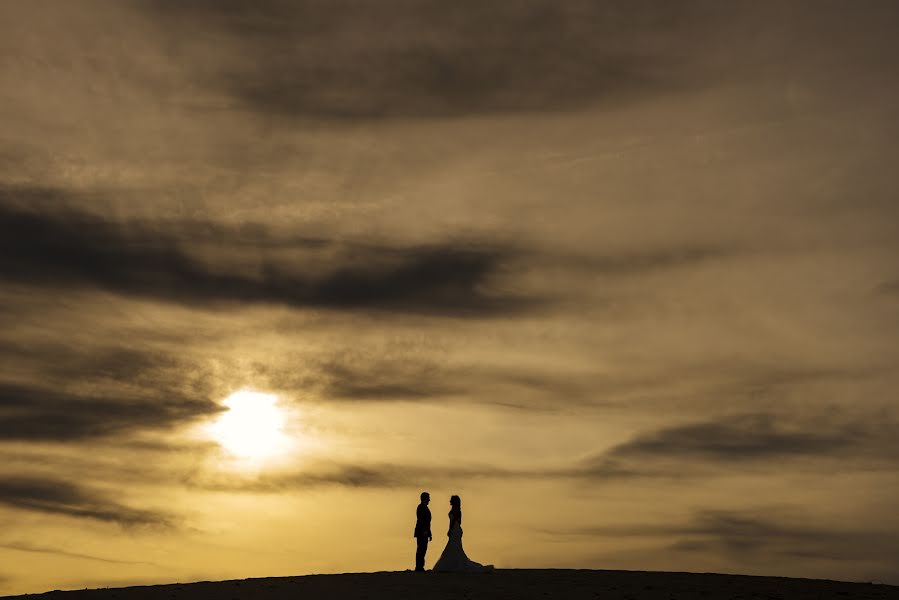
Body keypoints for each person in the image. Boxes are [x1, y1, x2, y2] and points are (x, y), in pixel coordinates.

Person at [432, 495, 494, 572]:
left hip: (455, 530)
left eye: (451, 500)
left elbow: (453, 521)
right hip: (457, 529)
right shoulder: (458, 510)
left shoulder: (455, 510)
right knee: (455, 547)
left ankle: (453, 564)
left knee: (454, 547)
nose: (449, 501)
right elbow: (458, 522)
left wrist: (450, 530)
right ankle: (454, 564)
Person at [413, 491, 432, 571]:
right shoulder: (421, 507)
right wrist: (424, 531)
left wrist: (429, 533)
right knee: (421, 549)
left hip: (425, 531)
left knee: (423, 549)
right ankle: (419, 567)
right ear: (424, 499)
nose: (429, 500)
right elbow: (422, 520)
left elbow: (427, 522)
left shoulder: (424, 507)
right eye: (428, 498)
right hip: (422, 531)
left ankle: (420, 566)